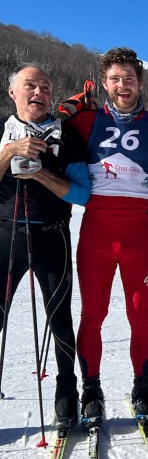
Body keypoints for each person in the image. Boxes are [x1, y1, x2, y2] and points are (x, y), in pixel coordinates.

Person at [63, 48, 148, 429]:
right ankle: (91, 391)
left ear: (140, 82)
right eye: (115, 79)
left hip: (138, 234)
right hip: (95, 231)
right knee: (93, 313)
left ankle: (141, 388)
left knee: (140, 315)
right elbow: (53, 135)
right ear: (104, 83)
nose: (122, 85)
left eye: (129, 78)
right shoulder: (85, 122)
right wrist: (66, 110)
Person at [0, 66, 90, 429]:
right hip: (5, 236)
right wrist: (10, 153)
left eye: (46, 87)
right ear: (12, 92)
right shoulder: (2, 131)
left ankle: (67, 394)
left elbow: (83, 193)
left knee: (60, 320)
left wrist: (38, 171)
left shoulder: (67, 137)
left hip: (52, 235)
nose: (38, 92)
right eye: (30, 86)